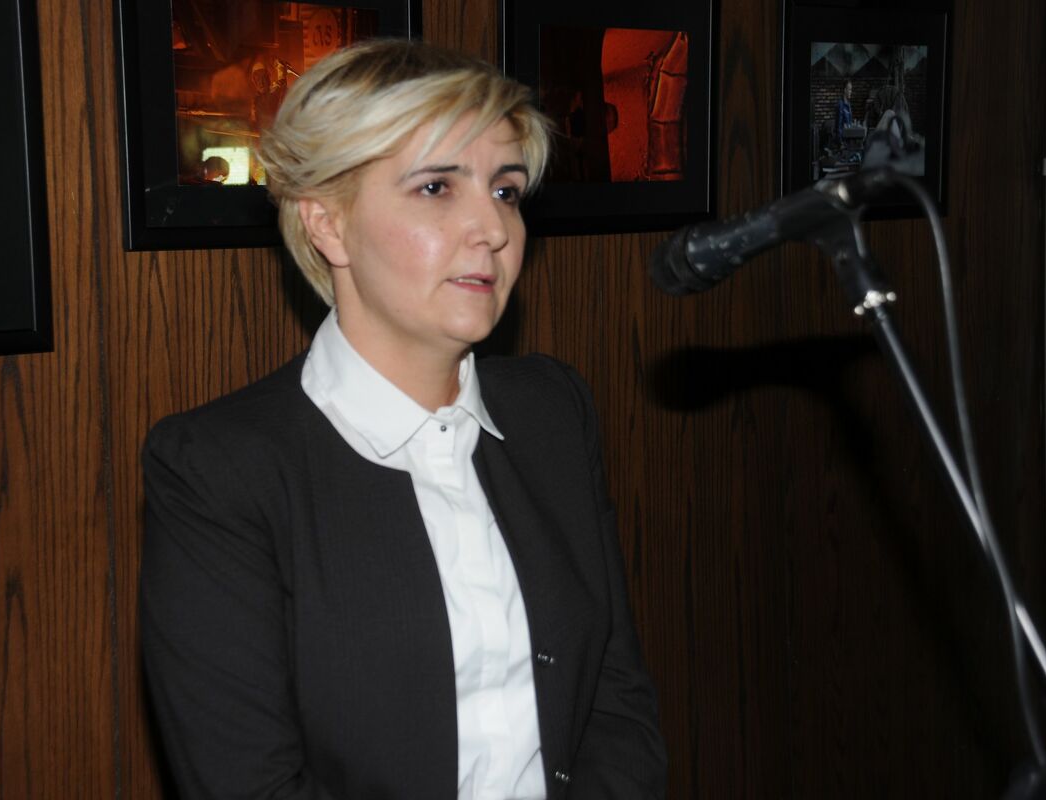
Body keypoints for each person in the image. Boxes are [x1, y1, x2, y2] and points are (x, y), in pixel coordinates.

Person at [141, 39, 667, 799]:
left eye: (506, 190)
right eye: (436, 187)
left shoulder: (552, 409)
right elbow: (250, 782)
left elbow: (616, 702)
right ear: (327, 223)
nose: (493, 228)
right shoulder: (220, 469)